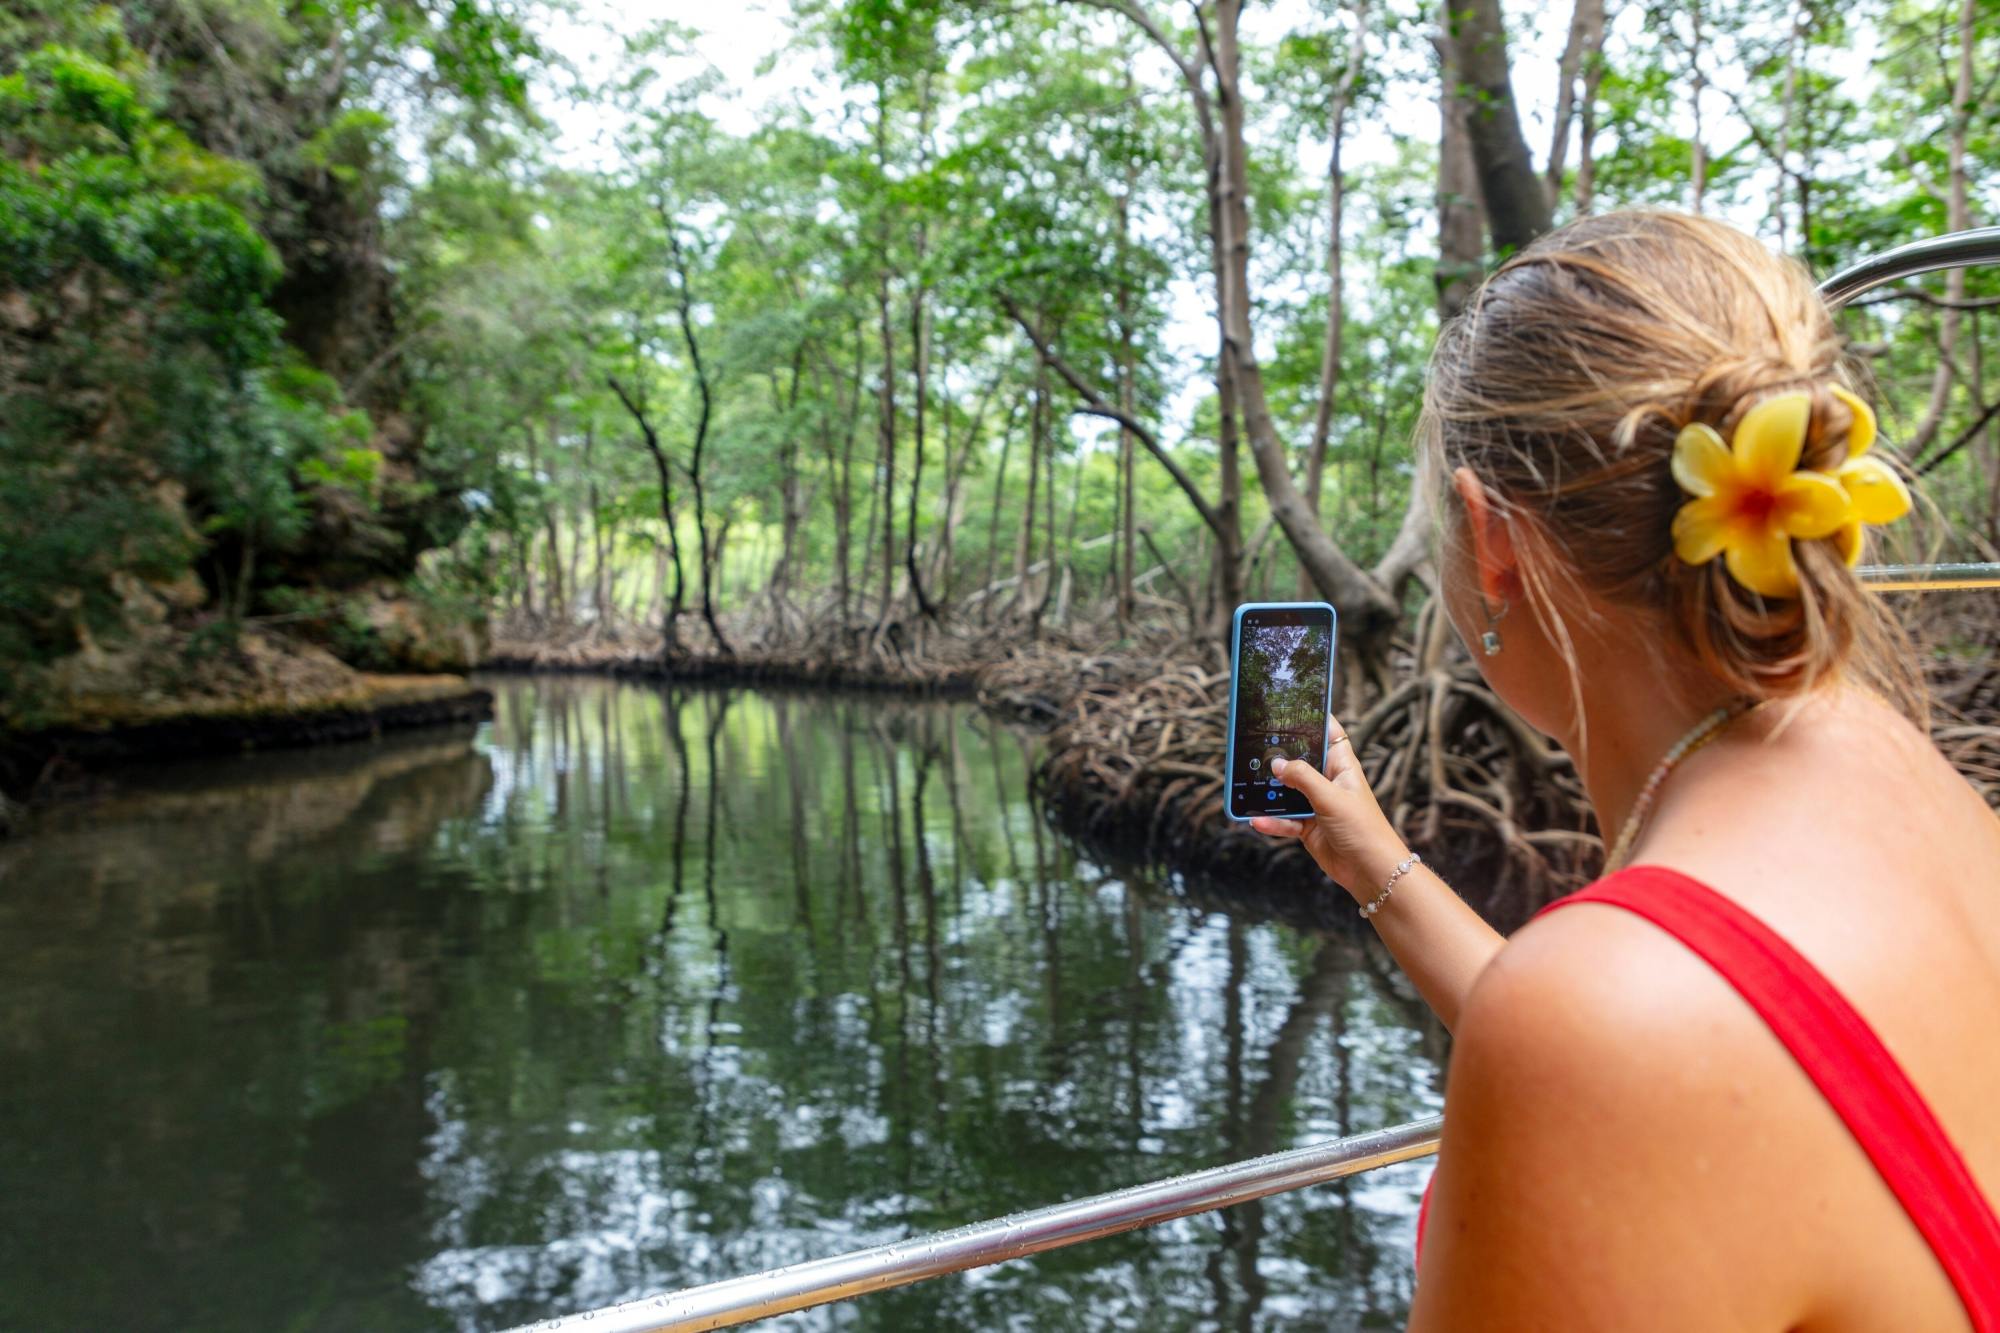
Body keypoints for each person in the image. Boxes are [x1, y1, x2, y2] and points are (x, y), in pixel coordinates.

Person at [1251, 210, 2000, 1330]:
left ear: (1490, 541)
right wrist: (1376, 863)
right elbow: (1745, 1045)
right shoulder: (1909, 776)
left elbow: (1624, 1042)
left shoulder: (1601, 1019)